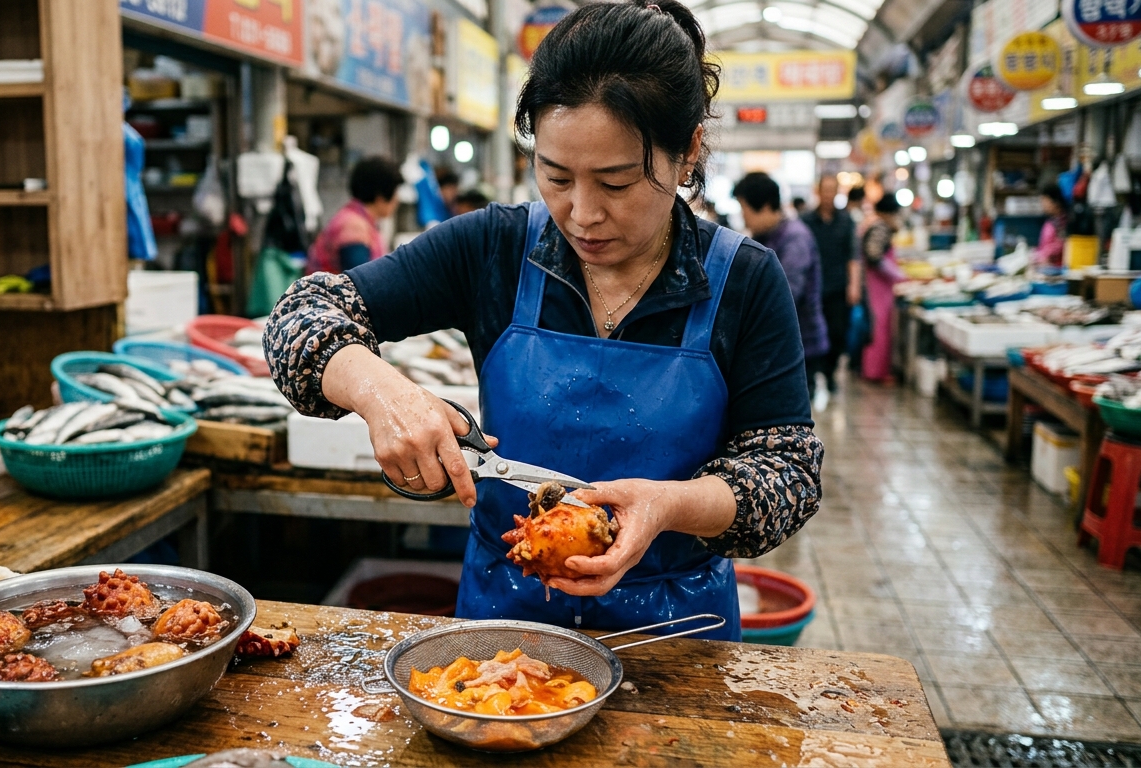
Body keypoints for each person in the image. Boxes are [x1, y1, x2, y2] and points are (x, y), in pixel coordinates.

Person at [264, 0, 822, 638]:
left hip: (679, 641)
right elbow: (301, 313)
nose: (582, 214)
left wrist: (669, 506)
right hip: (504, 639)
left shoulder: (743, 279)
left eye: (615, 184)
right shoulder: (492, 250)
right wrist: (380, 390)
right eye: (556, 176)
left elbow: (788, 473)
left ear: (688, 150)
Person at [733, 173, 828, 400]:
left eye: (744, 210)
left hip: (800, 342)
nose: (744, 220)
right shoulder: (768, 236)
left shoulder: (795, 239)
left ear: (765, 207)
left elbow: (786, 293)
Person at [801, 174, 860, 398]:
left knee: (837, 333)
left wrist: (854, 285)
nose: (828, 194)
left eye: (832, 190)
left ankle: (830, 374)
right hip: (812, 289)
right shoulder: (806, 220)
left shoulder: (846, 221)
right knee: (812, 334)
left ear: (837, 192)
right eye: (825, 190)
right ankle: (812, 378)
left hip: (837, 287)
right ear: (819, 191)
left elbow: (853, 256)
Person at [306, 156, 403, 274]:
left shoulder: (355, 218)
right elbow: (360, 280)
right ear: (380, 196)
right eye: (395, 192)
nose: (397, 200)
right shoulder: (353, 226)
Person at [860, 194, 906, 383]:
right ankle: (875, 373)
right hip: (877, 285)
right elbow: (874, 256)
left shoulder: (871, 223)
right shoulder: (880, 226)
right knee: (879, 329)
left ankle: (874, 370)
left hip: (877, 285)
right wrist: (898, 275)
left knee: (877, 327)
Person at [1034, 183, 1069, 270]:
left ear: (1055, 201)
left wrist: (1045, 255)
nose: (1043, 204)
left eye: (1045, 200)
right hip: (1044, 266)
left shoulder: (1063, 221)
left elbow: (1062, 243)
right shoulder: (1051, 220)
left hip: (1056, 268)